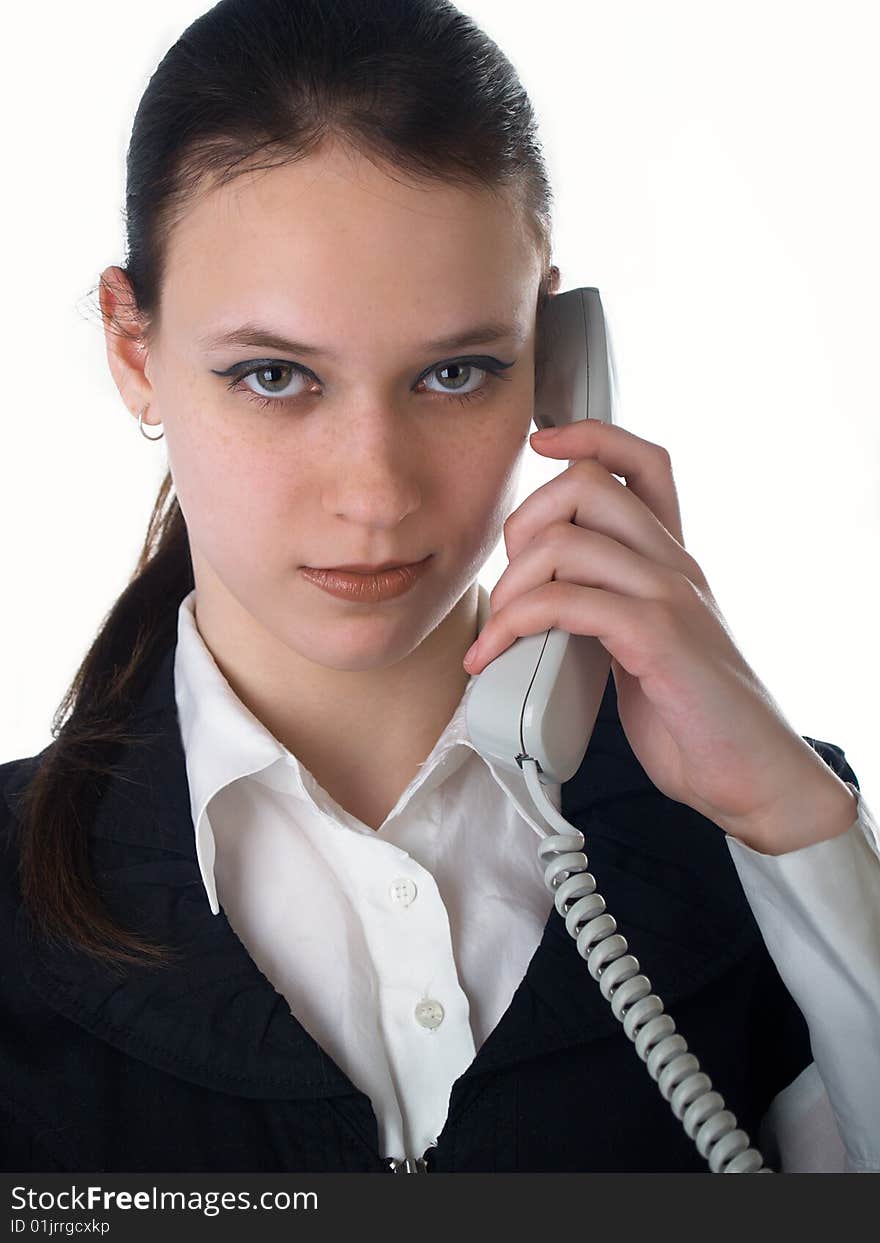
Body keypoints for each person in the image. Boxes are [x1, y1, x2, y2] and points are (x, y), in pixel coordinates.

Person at [1, 0, 878, 1175]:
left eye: (457, 371)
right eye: (273, 375)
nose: (375, 494)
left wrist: (797, 828)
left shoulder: (756, 849)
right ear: (133, 348)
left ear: (555, 357)